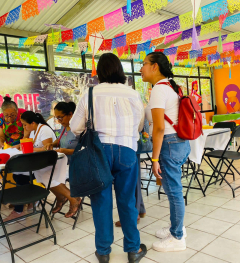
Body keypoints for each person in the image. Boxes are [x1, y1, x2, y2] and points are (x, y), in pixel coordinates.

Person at [70, 53, 147, 263]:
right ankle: (133, 250)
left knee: (101, 203)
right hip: (127, 151)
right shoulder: (133, 94)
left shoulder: (90, 93)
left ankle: (103, 252)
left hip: (98, 152)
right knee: (127, 201)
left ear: (100, 72)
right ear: (120, 70)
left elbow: (75, 127)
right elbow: (140, 125)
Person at [141, 52, 191, 252]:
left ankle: (177, 237)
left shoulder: (159, 90)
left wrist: (154, 158)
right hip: (179, 142)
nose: (141, 68)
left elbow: (159, 128)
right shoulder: (171, 87)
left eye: (144, 64)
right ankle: (176, 228)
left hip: (169, 143)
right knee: (174, 190)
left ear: (155, 67)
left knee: (174, 192)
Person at [44, 102, 82, 218]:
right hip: (64, 163)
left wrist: (65, 151)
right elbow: (60, 141)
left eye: (60, 117)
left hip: (77, 164)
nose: (59, 120)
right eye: (57, 118)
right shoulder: (64, 128)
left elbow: (84, 151)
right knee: (43, 174)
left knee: (49, 176)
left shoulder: (79, 130)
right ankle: (62, 196)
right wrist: (52, 144)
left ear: (70, 114)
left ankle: (72, 198)